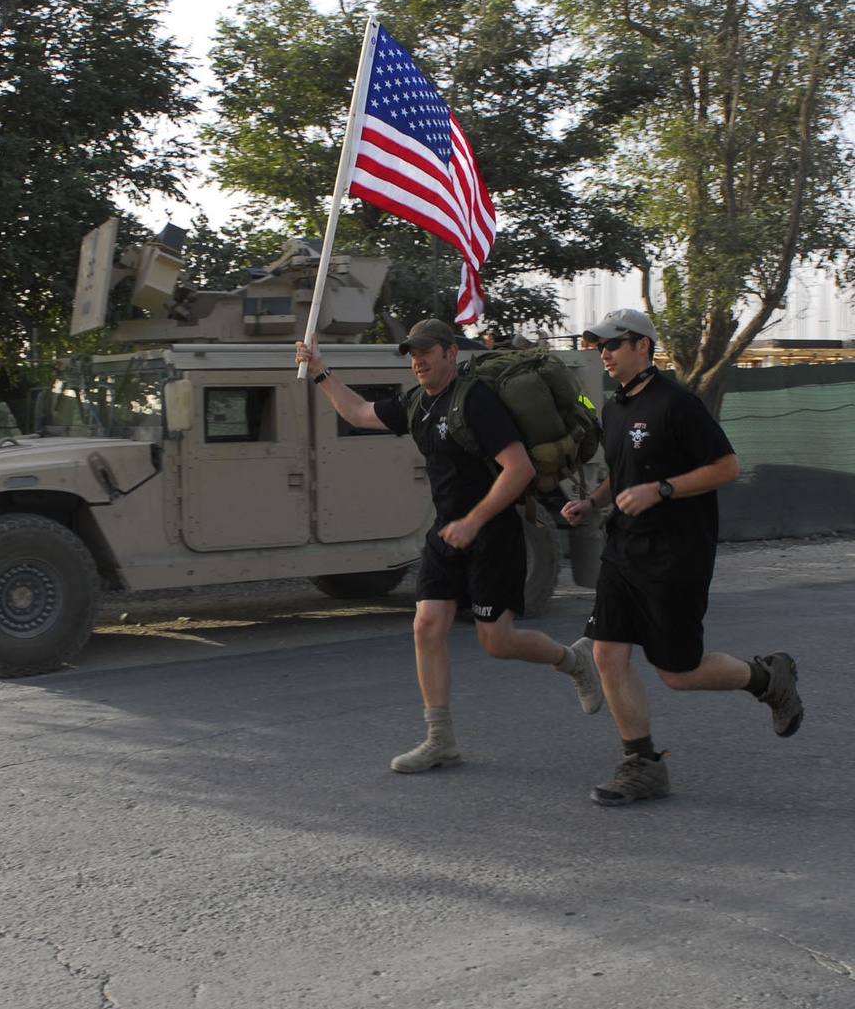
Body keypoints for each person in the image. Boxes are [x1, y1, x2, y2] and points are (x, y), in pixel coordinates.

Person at [295, 318, 603, 773]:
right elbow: (358, 412)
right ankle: (440, 739)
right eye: (413, 354)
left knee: (496, 642)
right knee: (426, 627)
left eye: (426, 352)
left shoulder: (476, 401)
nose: (417, 360)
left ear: (450, 353)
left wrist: (474, 521)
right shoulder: (417, 403)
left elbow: (517, 469)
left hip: (491, 533)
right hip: (447, 533)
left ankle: (573, 660)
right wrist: (320, 370)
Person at [562, 308, 803, 806]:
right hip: (624, 548)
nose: (603, 351)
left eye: (613, 342)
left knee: (678, 671)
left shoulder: (677, 404)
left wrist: (664, 489)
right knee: (607, 652)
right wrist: (593, 502)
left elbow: (727, 467)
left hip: (675, 555)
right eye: (599, 343)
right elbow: (623, 474)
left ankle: (766, 676)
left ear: (643, 346)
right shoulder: (613, 408)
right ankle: (643, 764)